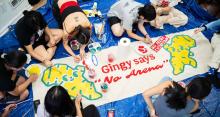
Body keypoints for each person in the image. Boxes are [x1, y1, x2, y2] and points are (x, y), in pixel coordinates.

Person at [142, 77, 211, 117]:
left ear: (190, 84)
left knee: (166, 78)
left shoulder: (170, 85)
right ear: (201, 97)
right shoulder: (194, 106)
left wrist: (152, 110)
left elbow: (145, 94)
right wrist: (196, 102)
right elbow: (194, 106)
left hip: (153, 113)